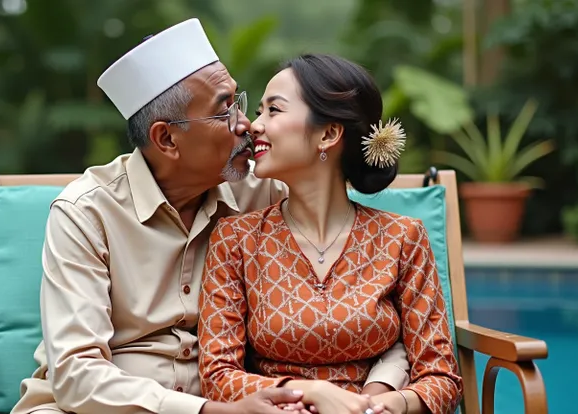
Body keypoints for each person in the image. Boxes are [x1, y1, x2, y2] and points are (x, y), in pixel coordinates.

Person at [11, 19, 409, 414]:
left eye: (240, 101)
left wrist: (373, 392)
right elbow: (76, 376)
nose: (246, 125)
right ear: (167, 139)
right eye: (224, 111)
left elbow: (369, 307)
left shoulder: (265, 191)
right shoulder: (85, 213)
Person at [197, 54, 463, 414]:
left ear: (328, 134)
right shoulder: (236, 239)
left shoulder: (403, 237)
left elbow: (442, 377)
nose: (254, 126)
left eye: (273, 111)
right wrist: (309, 393)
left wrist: (391, 404)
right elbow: (217, 375)